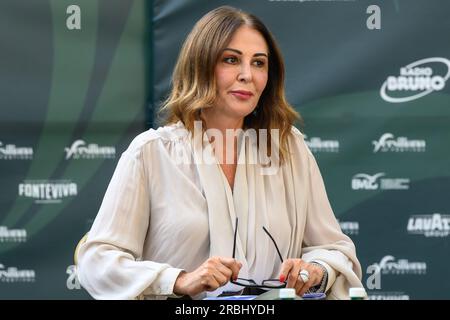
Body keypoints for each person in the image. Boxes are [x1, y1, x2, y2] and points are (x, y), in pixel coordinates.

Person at [77, 5, 364, 300]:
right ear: (200, 65)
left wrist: (314, 271)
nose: (247, 75)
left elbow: (334, 249)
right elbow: (96, 260)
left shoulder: (288, 148)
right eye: (231, 60)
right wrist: (178, 280)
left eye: (259, 63)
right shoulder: (151, 153)